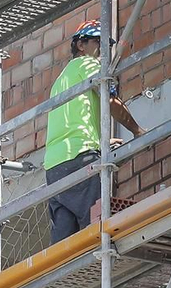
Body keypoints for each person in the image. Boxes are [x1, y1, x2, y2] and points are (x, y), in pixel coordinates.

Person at [43, 20, 145, 243]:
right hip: (81, 158)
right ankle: (100, 267)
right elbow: (111, 101)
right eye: (98, 42)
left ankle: (61, 276)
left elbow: (73, 120)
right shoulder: (89, 65)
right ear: (81, 45)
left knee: (64, 239)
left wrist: (101, 142)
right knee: (94, 226)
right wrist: (137, 131)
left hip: (54, 167)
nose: (103, 51)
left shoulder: (60, 80)